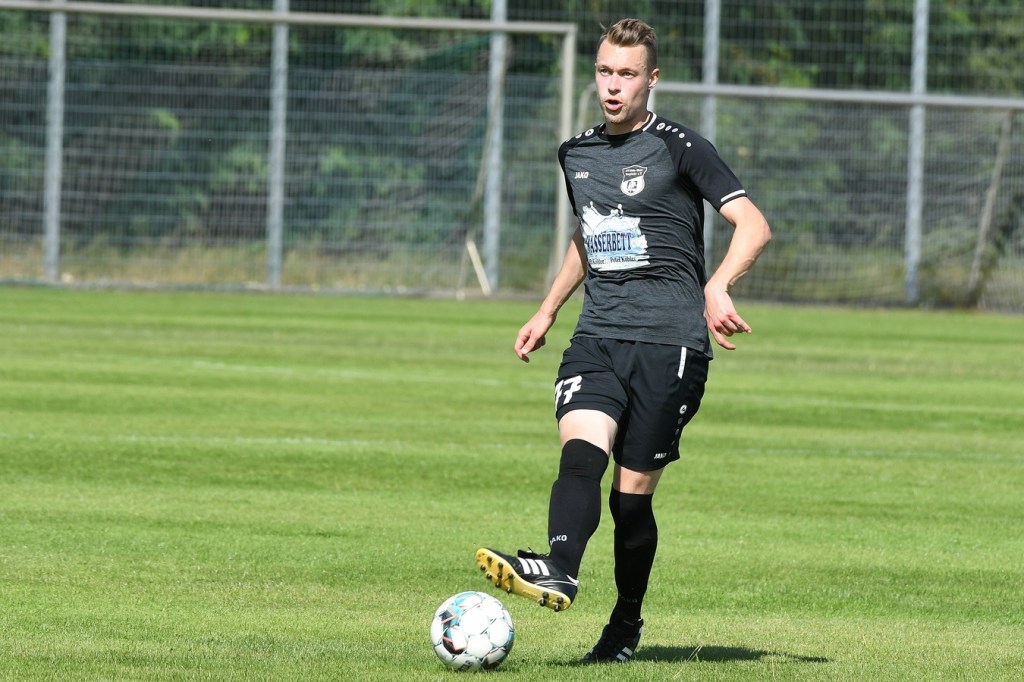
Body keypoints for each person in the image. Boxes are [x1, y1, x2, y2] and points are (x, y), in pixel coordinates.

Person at [475, 17, 770, 663]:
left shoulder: (679, 146)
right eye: (605, 71)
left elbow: (752, 224)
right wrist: (547, 310)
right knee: (581, 455)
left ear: (651, 79)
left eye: (627, 74)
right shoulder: (576, 153)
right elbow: (587, 234)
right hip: (598, 336)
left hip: (671, 345)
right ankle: (559, 568)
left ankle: (625, 626)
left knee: (630, 501)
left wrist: (719, 285)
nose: (614, 85)